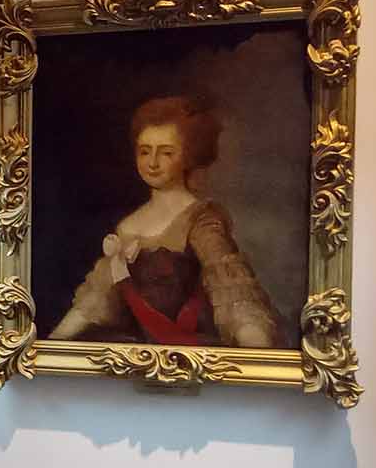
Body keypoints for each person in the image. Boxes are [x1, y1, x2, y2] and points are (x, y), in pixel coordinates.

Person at [49, 96, 281, 348]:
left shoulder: (200, 218)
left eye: (166, 153)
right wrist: (50, 344)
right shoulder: (127, 227)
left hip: (190, 351)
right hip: (139, 352)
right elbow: (95, 300)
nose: (152, 163)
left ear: (188, 156)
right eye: (144, 151)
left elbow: (235, 295)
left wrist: (258, 352)